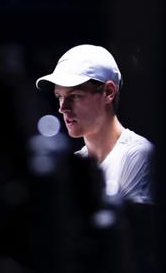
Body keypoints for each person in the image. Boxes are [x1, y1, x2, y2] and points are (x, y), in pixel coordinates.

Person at [36, 44, 154, 204]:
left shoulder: (137, 154)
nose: (62, 108)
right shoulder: (77, 163)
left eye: (75, 96)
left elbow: (130, 226)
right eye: (60, 97)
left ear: (108, 92)